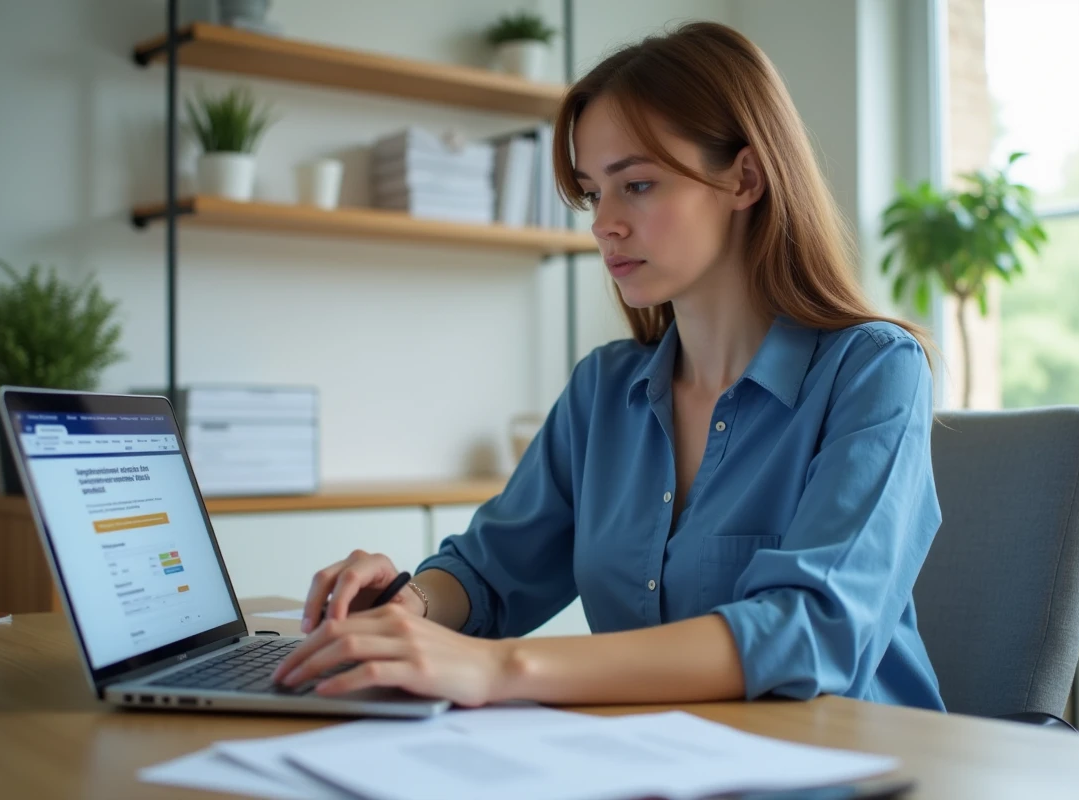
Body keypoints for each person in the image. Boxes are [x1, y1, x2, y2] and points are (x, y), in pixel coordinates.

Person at [273, 21, 945, 712]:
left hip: (854, 767)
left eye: (640, 185)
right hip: (661, 765)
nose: (604, 224)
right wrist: (404, 608)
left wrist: (501, 668)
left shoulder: (874, 373)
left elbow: (811, 634)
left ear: (744, 177)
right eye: (596, 193)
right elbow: (492, 570)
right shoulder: (604, 389)